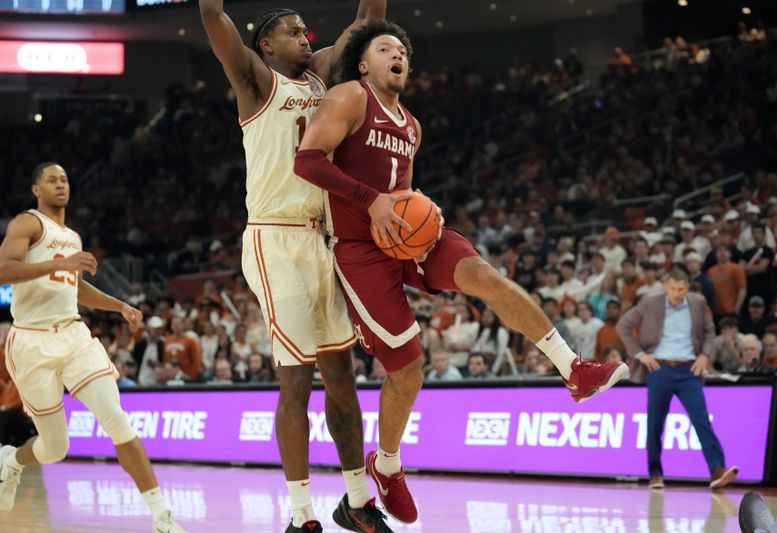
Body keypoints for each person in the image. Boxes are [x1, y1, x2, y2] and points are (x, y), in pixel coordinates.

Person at [293, 20, 629, 524]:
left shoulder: (411, 124)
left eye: (402, 49)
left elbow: (400, 192)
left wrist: (416, 211)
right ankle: (387, 467)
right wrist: (373, 203)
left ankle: (572, 369)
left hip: (406, 237)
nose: (397, 54)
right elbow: (308, 161)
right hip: (360, 246)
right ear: (365, 63)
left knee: (485, 275)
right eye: (386, 48)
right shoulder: (349, 97)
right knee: (409, 368)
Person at [199, 0, 393, 530]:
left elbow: (366, 21)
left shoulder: (321, 78)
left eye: (306, 31)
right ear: (266, 45)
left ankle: (356, 504)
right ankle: (302, 516)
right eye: (291, 32)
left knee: (342, 379)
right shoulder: (256, 81)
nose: (305, 37)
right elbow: (214, 18)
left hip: (322, 238)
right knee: (296, 381)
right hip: (274, 237)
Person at [0, 162, 185, 532]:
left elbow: (75, 287)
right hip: (31, 341)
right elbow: (4, 269)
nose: (61, 185)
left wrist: (119, 305)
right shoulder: (28, 223)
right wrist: (66, 262)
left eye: (65, 179)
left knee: (116, 419)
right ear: (36, 189)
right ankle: (11, 461)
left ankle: (161, 516)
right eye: (52, 180)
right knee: (55, 449)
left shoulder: (73, 237)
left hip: (73, 335)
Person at [617, 269, 738, 490]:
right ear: (665, 286)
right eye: (673, 288)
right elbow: (623, 325)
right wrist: (640, 354)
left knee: (702, 420)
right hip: (659, 369)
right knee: (655, 423)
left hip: (688, 370)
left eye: (681, 289)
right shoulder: (650, 302)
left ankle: (717, 469)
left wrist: (705, 355)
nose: (677, 293)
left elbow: (710, 332)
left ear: (687, 287)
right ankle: (655, 473)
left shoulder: (698, 302)